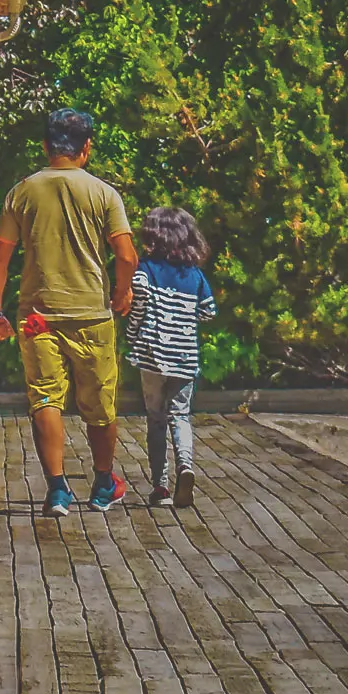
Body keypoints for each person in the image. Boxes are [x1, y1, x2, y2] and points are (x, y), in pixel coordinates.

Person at [0, 108, 138, 517]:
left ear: (45, 146)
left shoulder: (22, 192)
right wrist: (122, 293)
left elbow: (0, 257)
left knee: (45, 400)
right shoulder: (105, 194)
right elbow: (126, 254)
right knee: (101, 405)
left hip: (38, 315)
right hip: (91, 314)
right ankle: (104, 484)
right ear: (86, 148)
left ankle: (57, 490)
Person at [128, 206, 217, 507]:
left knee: (155, 419)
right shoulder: (195, 275)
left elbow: (138, 308)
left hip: (152, 356)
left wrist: (130, 339)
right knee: (180, 415)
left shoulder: (145, 269)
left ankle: (160, 488)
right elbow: (208, 312)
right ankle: (186, 466)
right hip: (184, 356)